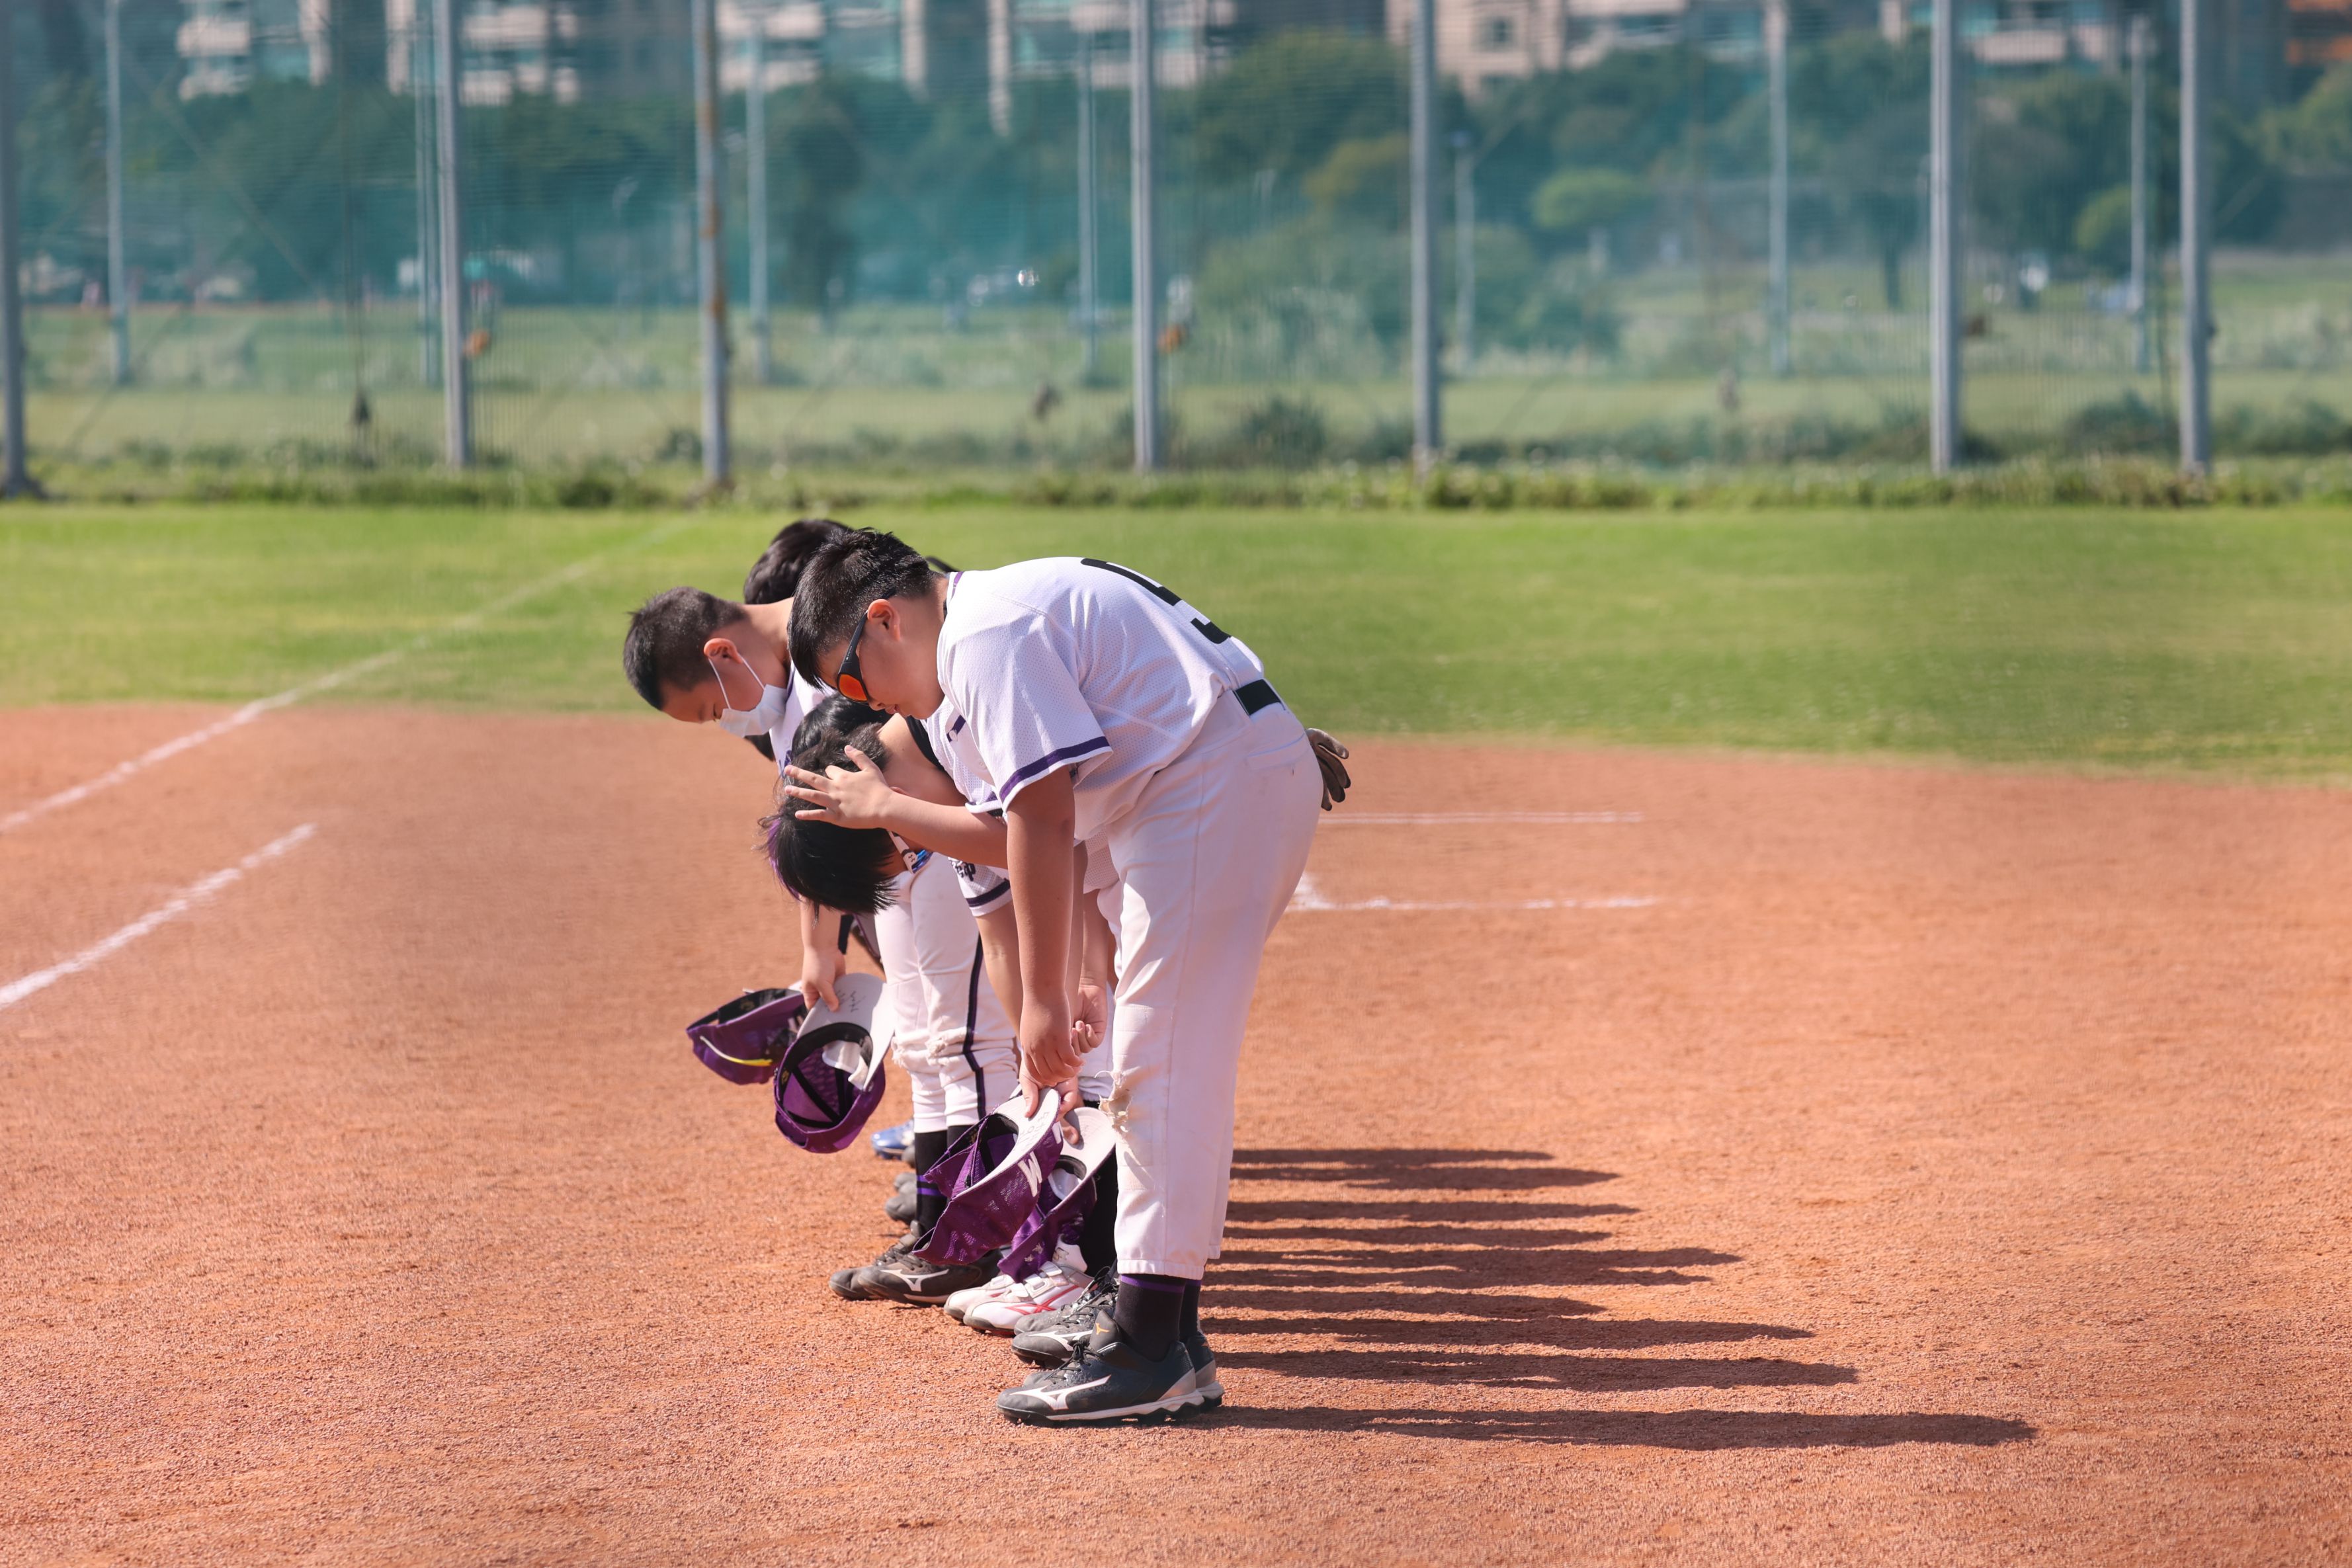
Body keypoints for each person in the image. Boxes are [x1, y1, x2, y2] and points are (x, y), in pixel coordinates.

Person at [787, 531, 1324, 1424]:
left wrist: (1040, 1004)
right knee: (1162, 1064)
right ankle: (1166, 1333)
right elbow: (1037, 825)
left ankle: (1148, 1348)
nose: (864, 703)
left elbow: (1042, 814)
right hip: (1196, 787)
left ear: (884, 620)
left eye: (851, 679)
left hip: (1203, 788)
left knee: (1160, 1068)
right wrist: (1081, 974)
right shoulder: (976, 648)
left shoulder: (983, 636)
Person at [768, 698, 1109, 1335]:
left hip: (1178, 816)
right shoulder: (949, 781)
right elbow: (1001, 935)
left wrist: (1080, 986)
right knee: (1068, 1063)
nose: (914, 860)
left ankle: (1107, 1285)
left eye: (904, 854)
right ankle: (1077, 1269)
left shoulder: (964, 734)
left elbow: (1048, 836)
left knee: (1118, 1066)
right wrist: (1041, 1048)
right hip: (1126, 850)